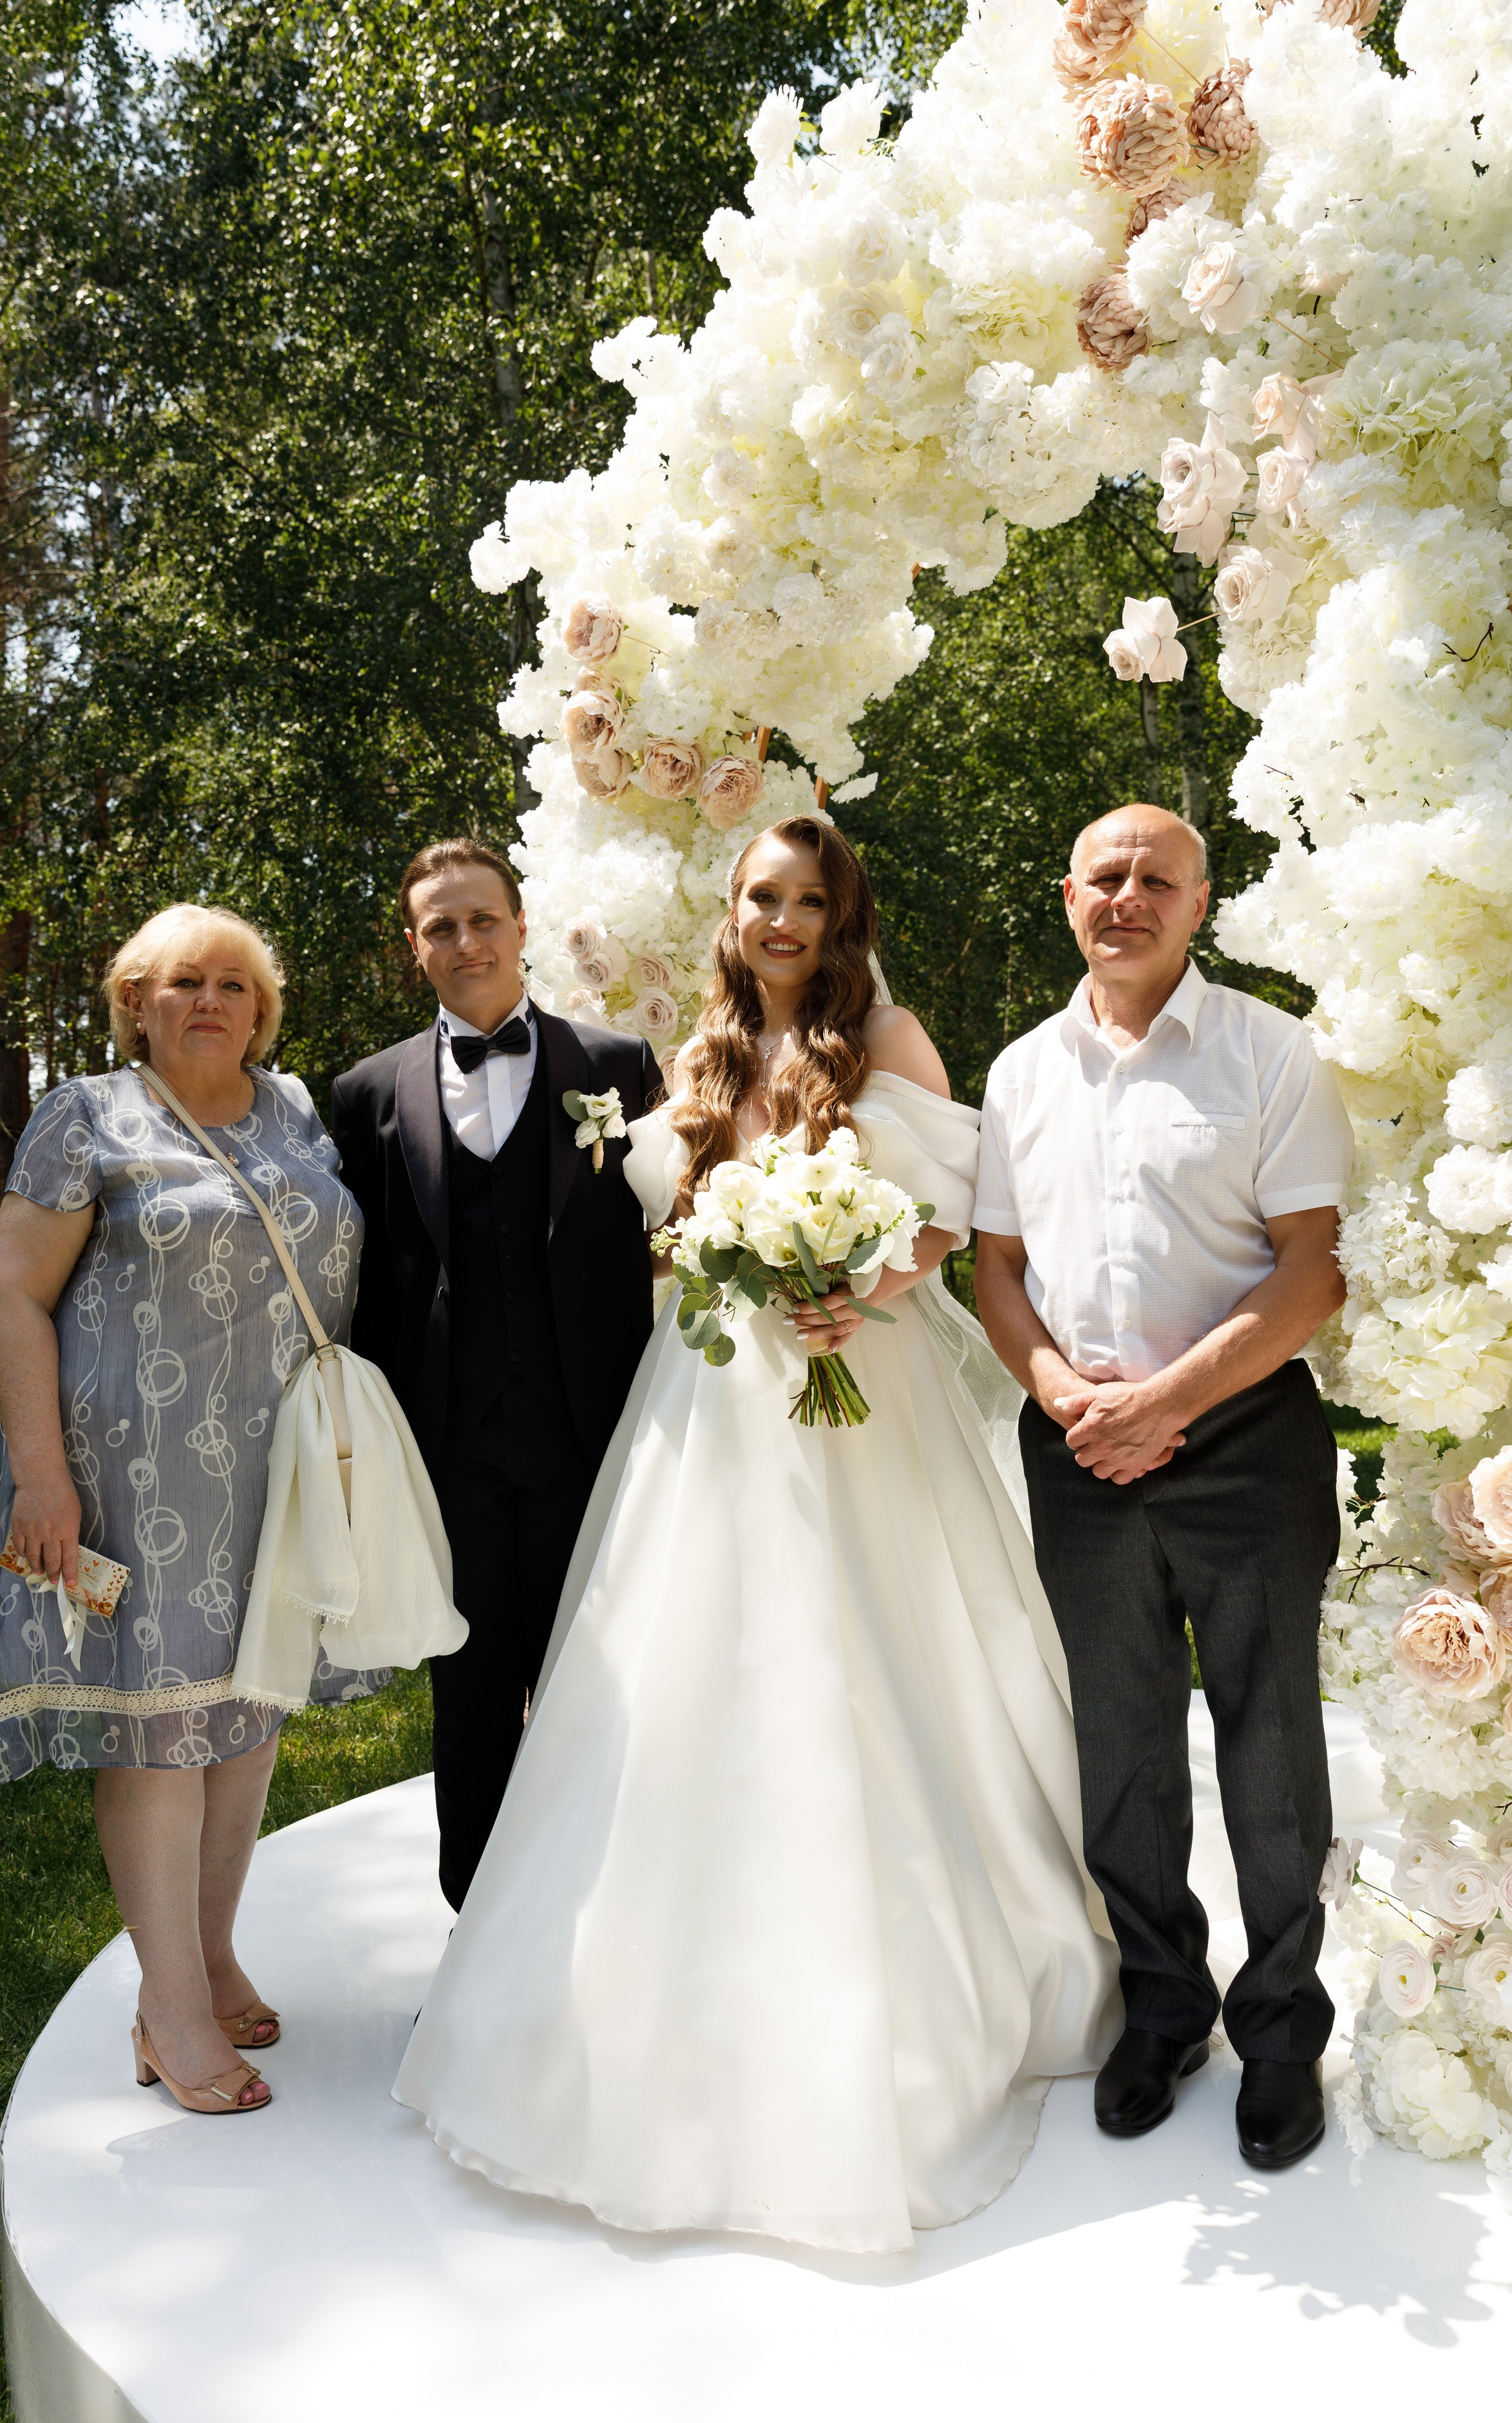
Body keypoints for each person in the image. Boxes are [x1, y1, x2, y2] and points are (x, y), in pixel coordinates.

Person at [392, 817, 1121, 2256]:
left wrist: (862, 1282)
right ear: (729, 913)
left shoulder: (888, 1035)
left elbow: (955, 1217)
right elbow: (666, 1243)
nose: (782, 921)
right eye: (760, 898)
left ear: (840, 915)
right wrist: (727, 1259)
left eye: (807, 900)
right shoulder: (693, 1061)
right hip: (715, 1402)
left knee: (881, 1656)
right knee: (687, 1677)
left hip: (865, 1388)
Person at [972, 803, 1354, 2172]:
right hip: (1078, 1454)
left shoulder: (1267, 1052)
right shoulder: (1018, 1073)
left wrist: (1164, 1403)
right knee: (1119, 1750)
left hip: (1243, 1446)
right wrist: (1067, 1399)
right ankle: (1164, 2009)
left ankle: (1280, 2035)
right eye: (1104, 878)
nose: (1125, 898)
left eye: (1155, 880)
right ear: (1066, 895)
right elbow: (995, 1271)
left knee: (1267, 1751)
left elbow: (1308, 1268)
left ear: (1200, 903)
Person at [0, 904, 384, 2115]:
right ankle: (169, 2007)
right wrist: (44, 1476)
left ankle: (209, 1953)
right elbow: (15, 1297)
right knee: (158, 1728)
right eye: (183, 981)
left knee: (245, 1715)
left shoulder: (297, 1109)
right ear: (136, 1002)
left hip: (274, 1476)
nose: (211, 1001)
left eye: (235, 984)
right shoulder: (88, 1118)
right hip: (128, 1475)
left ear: (263, 1008)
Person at [330, 838, 659, 1912]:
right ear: (414, 945)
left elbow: (666, 1234)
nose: (465, 941)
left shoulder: (619, 1067)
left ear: (520, 927)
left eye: (483, 919)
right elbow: (364, 1276)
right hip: (445, 1453)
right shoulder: (365, 1093)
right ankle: (478, 1951)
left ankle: (600, 1933)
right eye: (440, 926)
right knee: (469, 1706)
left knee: (595, 1691)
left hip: (592, 1436)